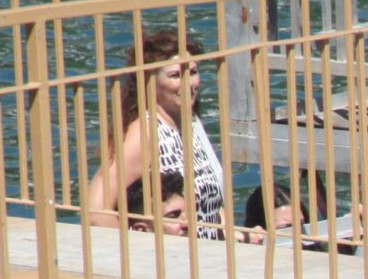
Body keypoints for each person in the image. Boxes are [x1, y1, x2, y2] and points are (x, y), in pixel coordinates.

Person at [83, 31, 260, 238]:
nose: (189, 83)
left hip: (212, 255)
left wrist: (236, 233)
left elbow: (209, 204)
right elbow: (95, 211)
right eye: (176, 75)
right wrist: (139, 255)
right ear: (151, 83)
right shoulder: (144, 132)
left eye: (193, 72)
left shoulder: (191, 120)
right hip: (172, 261)